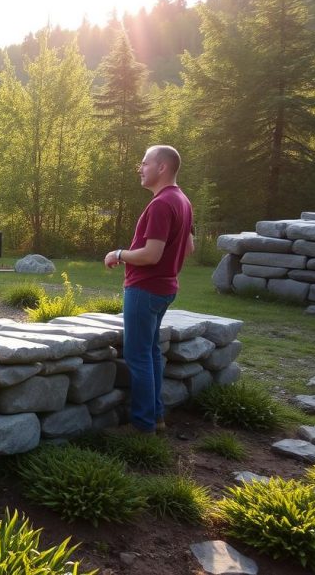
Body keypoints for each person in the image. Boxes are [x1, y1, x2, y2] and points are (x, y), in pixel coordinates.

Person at [104, 145, 195, 434]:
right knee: (151, 353)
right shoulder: (183, 201)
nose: (140, 169)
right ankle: (156, 417)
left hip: (145, 290)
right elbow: (189, 247)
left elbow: (151, 254)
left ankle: (143, 426)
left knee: (138, 356)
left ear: (162, 168)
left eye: (144, 163)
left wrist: (119, 254)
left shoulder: (161, 204)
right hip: (166, 288)